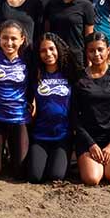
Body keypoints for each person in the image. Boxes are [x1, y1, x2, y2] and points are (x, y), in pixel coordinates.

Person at [74, 32, 110, 186]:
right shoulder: (79, 78)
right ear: (87, 52)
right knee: (92, 179)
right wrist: (90, 144)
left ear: (108, 49)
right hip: (89, 138)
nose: (96, 54)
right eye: (91, 50)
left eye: (100, 49)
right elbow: (73, 115)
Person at [0, 20, 32, 178]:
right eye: (5, 38)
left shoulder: (29, 60)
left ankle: (11, 150)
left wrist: (33, 103)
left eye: (13, 38)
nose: (9, 42)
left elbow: (36, 84)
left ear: (22, 39)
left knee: (20, 172)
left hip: (19, 118)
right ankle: (0, 153)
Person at [27, 33, 75, 183]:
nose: (48, 53)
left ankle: (69, 158)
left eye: (51, 49)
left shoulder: (70, 74)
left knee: (56, 176)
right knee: (35, 176)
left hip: (63, 135)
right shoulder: (36, 75)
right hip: (40, 134)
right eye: (43, 50)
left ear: (58, 49)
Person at [43, 0, 95, 68]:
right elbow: (47, 33)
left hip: (77, 59)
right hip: (55, 58)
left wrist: (90, 63)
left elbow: (89, 37)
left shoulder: (86, 5)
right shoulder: (52, 4)